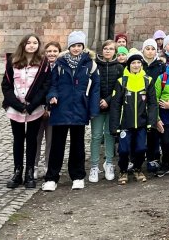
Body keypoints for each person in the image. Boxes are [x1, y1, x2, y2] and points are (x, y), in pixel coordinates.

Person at [42, 31, 100, 192]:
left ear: (83, 47)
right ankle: (51, 178)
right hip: (61, 108)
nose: (76, 48)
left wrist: (93, 109)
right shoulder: (60, 64)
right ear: (69, 47)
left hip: (79, 109)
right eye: (73, 45)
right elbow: (52, 84)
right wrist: (52, 96)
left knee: (78, 145)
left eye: (79, 45)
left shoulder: (90, 65)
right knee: (57, 145)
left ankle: (78, 176)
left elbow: (95, 88)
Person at [2, 33, 51, 189]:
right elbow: (6, 85)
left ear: (38, 46)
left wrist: (31, 105)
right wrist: (17, 104)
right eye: (28, 43)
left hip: (34, 108)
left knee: (32, 139)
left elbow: (45, 86)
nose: (31, 45)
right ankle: (17, 171)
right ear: (23, 45)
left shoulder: (43, 63)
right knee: (18, 139)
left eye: (35, 43)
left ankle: (29, 171)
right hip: (16, 107)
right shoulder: (13, 61)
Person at [108, 49, 158, 184]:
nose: (136, 65)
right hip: (125, 123)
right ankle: (123, 171)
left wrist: (151, 122)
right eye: (133, 63)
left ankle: (137, 169)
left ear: (141, 64)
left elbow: (153, 103)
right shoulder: (121, 81)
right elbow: (116, 105)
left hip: (142, 123)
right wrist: (114, 126)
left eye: (138, 63)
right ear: (129, 65)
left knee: (141, 148)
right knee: (123, 150)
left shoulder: (148, 81)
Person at [90, 40, 122, 183]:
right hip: (97, 105)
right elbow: (92, 85)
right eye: (105, 48)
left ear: (115, 51)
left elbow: (119, 87)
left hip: (112, 107)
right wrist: (98, 100)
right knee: (96, 136)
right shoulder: (95, 66)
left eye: (111, 49)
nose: (108, 51)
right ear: (102, 50)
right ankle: (94, 165)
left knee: (110, 135)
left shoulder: (120, 67)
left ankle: (109, 162)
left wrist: (108, 100)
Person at [34, 40, 61, 179]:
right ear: (45, 53)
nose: (52, 54)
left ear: (59, 52)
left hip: (55, 110)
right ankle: (34, 165)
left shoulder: (62, 67)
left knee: (51, 140)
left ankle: (48, 166)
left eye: (55, 51)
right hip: (38, 108)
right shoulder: (40, 67)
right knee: (36, 139)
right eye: (49, 51)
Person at [141, 38, 166, 173]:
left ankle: (153, 158)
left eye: (152, 49)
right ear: (143, 50)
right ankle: (138, 158)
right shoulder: (139, 64)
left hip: (155, 101)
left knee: (153, 131)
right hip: (140, 101)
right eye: (147, 49)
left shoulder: (160, 66)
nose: (150, 52)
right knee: (140, 130)